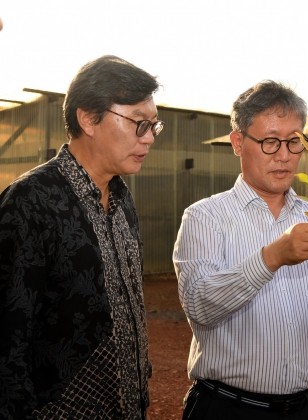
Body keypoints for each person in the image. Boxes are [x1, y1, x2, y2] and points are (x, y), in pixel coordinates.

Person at [172, 80, 308, 420]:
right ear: (237, 142)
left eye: (294, 142)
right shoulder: (206, 217)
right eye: (270, 142)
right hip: (229, 409)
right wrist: (272, 257)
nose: (284, 156)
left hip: (306, 409)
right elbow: (200, 306)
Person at [0, 55, 163, 418]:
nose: (149, 138)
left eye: (154, 126)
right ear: (88, 118)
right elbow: (9, 340)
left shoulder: (123, 198)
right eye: (139, 124)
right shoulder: (31, 201)